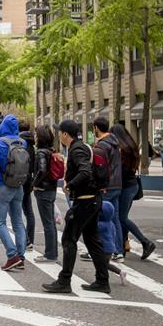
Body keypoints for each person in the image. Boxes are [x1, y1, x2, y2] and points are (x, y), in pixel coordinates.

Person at [43, 120, 110, 294]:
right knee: (92, 240)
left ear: (65, 134)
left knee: (68, 239)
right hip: (93, 199)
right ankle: (102, 281)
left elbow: (85, 171)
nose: (58, 135)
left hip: (85, 201)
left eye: (60, 132)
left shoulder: (77, 149)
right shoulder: (82, 146)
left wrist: (70, 185)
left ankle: (64, 281)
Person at [0, 114, 28, 272]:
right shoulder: (22, 142)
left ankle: (12, 256)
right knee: (18, 222)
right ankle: (21, 256)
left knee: (0, 222)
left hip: (2, 186)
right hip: (19, 186)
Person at [111, 124, 156, 260]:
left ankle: (145, 242)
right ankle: (124, 245)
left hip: (125, 187)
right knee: (122, 217)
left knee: (121, 218)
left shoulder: (121, 150)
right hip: (132, 185)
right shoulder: (131, 146)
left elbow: (121, 172)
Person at [89, 117, 123, 261]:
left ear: (96, 127)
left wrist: (99, 185)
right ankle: (118, 250)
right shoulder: (115, 142)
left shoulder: (102, 145)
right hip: (117, 184)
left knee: (98, 217)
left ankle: (100, 249)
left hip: (106, 186)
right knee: (114, 218)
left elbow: (99, 167)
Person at [32, 125, 59, 263]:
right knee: (51, 223)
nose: (35, 136)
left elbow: (42, 170)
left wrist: (34, 184)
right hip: (51, 189)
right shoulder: (51, 151)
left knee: (48, 223)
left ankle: (50, 254)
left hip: (43, 190)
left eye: (36, 134)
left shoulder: (41, 152)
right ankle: (52, 252)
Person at [98, 201, 127, 285]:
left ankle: (103, 279)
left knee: (102, 264)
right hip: (110, 248)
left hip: (104, 248)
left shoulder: (100, 225)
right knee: (105, 264)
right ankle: (120, 272)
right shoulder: (111, 224)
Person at [18, 120, 37, 252]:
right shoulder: (32, 144)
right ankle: (30, 239)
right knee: (29, 211)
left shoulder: (19, 143)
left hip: (19, 180)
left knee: (16, 212)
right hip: (29, 180)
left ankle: (26, 239)